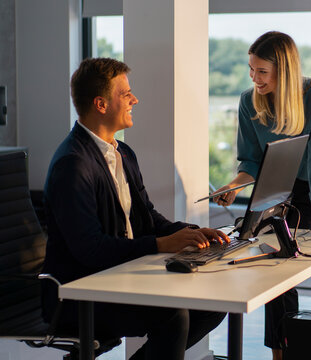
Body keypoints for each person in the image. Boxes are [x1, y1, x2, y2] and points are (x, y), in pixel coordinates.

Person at [42, 58, 229, 360]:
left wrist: (189, 233)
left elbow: (147, 217)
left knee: (215, 303)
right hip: (78, 293)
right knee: (172, 315)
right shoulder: (73, 165)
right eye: (125, 93)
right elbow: (89, 250)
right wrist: (160, 245)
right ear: (101, 104)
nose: (135, 99)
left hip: (119, 276)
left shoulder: (123, 153)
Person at [212, 31, 311, 359]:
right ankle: (281, 352)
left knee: (289, 269)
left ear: (283, 70)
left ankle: (286, 350)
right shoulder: (248, 101)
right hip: (273, 186)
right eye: (251, 69)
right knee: (275, 272)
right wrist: (233, 185)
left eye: (261, 71)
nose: (254, 78)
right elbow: (252, 161)